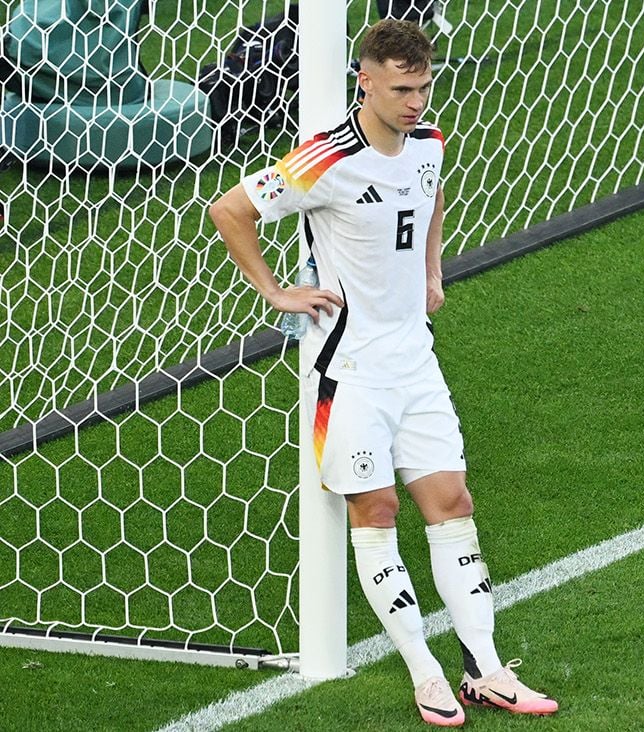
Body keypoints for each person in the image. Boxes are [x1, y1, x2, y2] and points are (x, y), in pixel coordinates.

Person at [209, 19, 558, 727]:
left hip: (415, 361)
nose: (416, 102)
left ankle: (486, 672)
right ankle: (426, 674)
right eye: (402, 89)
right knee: (378, 512)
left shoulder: (429, 144)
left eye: (424, 87)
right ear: (363, 80)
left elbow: (427, 198)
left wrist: (432, 264)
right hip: (351, 375)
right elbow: (229, 209)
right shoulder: (324, 159)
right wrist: (275, 290)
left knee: (453, 504)